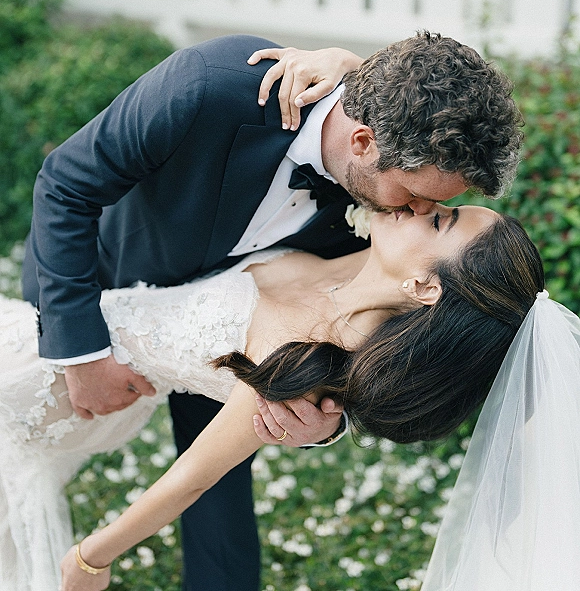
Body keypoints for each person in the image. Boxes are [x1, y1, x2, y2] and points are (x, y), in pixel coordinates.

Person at [21, 31, 522, 591]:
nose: (419, 210)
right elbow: (66, 185)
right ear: (362, 142)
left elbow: (365, 340)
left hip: (234, 339)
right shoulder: (209, 88)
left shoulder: (389, 232)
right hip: (94, 293)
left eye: (439, 209)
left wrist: (319, 422)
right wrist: (81, 352)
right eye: (413, 194)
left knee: (219, 486)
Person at [0, 201, 544, 591]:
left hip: (36, 385)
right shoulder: (357, 261)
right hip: (56, 342)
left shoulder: (308, 361)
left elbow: (195, 477)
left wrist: (91, 559)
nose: (420, 202)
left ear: (426, 288)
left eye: (439, 220)